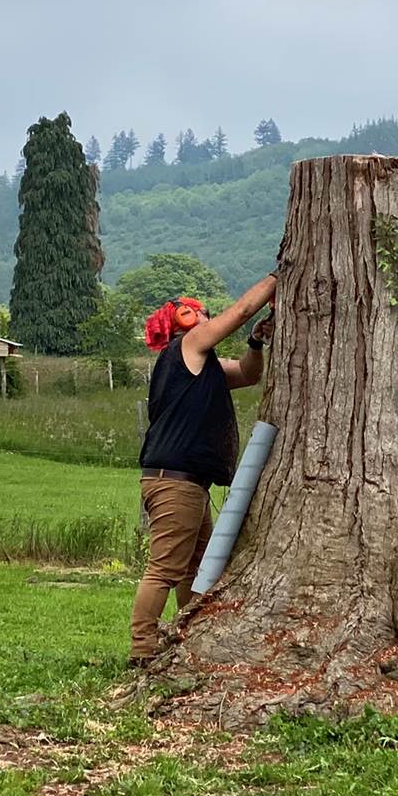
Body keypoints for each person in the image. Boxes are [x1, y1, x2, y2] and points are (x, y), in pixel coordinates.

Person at [129, 272, 278, 666]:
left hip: (188, 484)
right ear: (185, 321)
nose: (206, 317)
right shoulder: (187, 347)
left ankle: (183, 640)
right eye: (200, 314)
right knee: (165, 568)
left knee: (196, 569)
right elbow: (244, 308)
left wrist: (255, 342)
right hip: (175, 484)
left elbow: (248, 374)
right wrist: (277, 276)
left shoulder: (203, 364)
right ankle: (142, 649)